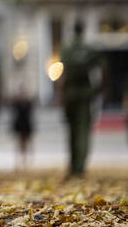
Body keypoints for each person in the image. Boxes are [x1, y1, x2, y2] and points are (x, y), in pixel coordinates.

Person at [59, 20, 102, 177]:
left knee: (72, 131)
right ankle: (80, 166)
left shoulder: (67, 50)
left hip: (70, 94)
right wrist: (98, 89)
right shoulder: (89, 50)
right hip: (85, 94)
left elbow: (61, 74)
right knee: (83, 130)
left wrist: (61, 95)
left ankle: (73, 164)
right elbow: (103, 68)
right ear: (83, 30)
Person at [9, 86, 34, 169]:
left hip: (26, 125)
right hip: (20, 125)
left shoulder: (28, 103)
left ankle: (26, 161)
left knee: (27, 143)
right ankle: (19, 161)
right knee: (19, 144)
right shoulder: (17, 103)